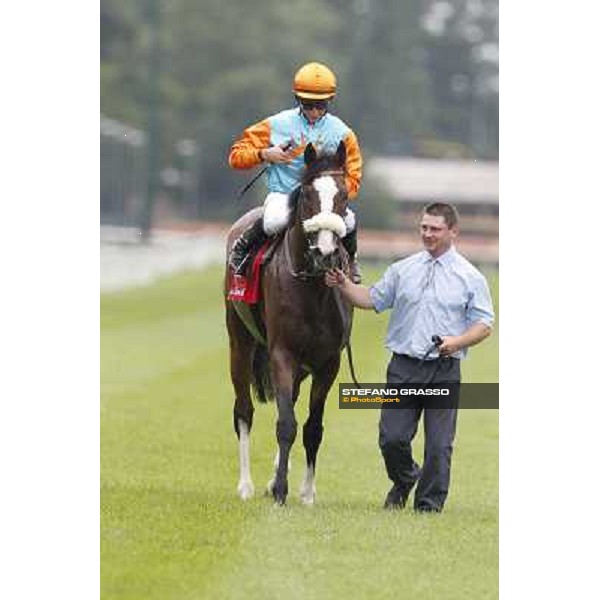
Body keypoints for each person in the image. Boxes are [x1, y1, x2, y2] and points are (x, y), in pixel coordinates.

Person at [325, 202, 495, 513]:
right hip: (403, 368)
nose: (428, 234)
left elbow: (484, 324)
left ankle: (428, 507)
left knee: (438, 447)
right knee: (392, 439)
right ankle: (405, 479)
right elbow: (372, 299)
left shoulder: (470, 277)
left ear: (453, 231)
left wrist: (456, 342)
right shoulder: (402, 269)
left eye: (435, 229)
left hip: (444, 370)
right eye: (424, 228)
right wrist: (344, 285)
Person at [228, 61, 363, 282]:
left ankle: (352, 260)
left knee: (349, 221)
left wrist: (330, 195)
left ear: (329, 102)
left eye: (320, 105)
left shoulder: (343, 134)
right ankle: (242, 247)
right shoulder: (276, 124)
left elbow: (354, 179)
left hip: (323, 200)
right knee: (274, 220)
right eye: (308, 105)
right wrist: (264, 154)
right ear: (298, 100)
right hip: (283, 193)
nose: (314, 111)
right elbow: (236, 156)